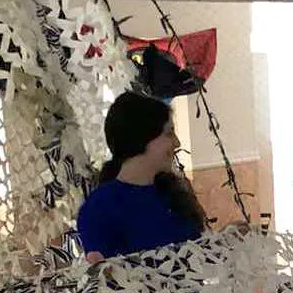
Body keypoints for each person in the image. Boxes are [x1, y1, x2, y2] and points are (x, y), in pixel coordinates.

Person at [77, 92, 206, 263]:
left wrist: (223, 242)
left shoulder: (173, 191)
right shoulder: (99, 208)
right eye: (169, 133)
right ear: (142, 138)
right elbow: (108, 274)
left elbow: (196, 258)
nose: (177, 143)